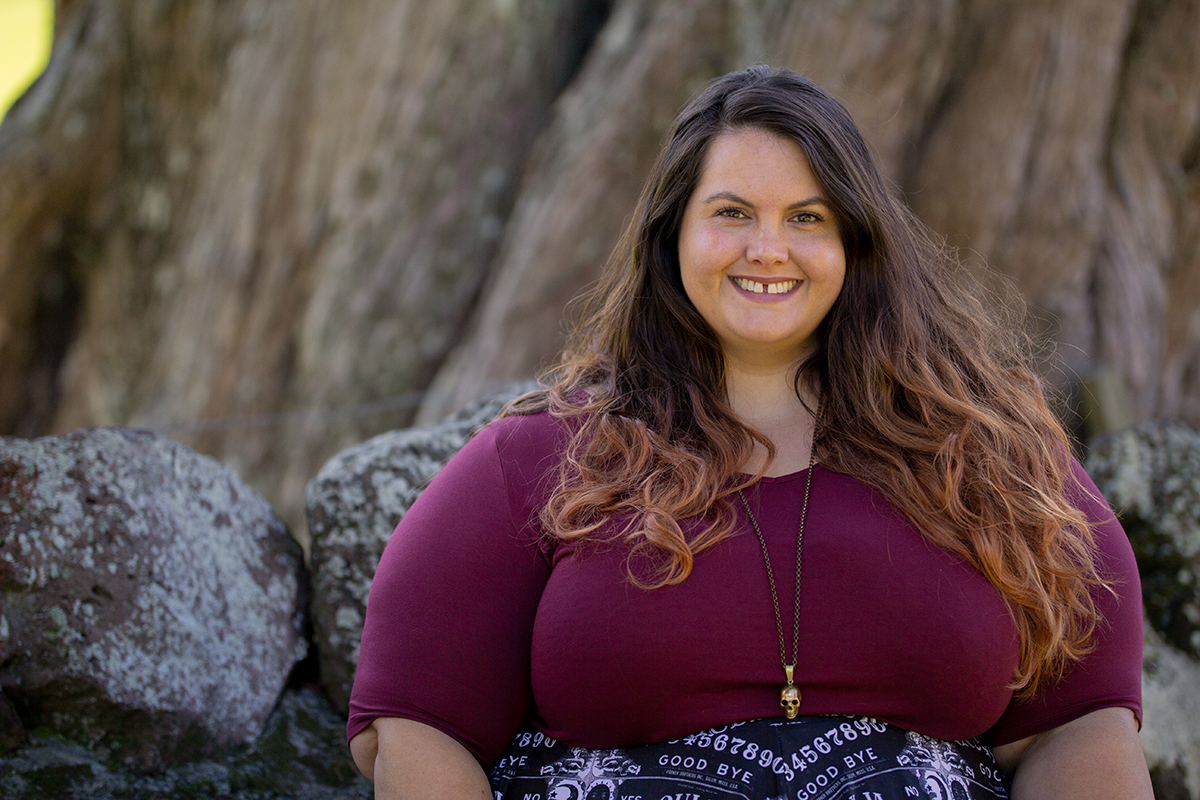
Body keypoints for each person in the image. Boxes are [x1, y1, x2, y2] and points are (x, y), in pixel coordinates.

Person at [347, 66, 1152, 799]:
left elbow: (1081, 722)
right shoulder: (541, 461)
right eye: (732, 213)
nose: (768, 249)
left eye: (808, 217)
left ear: (856, 242)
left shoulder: (995, 459)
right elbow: (414, 723)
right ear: (672, 235)